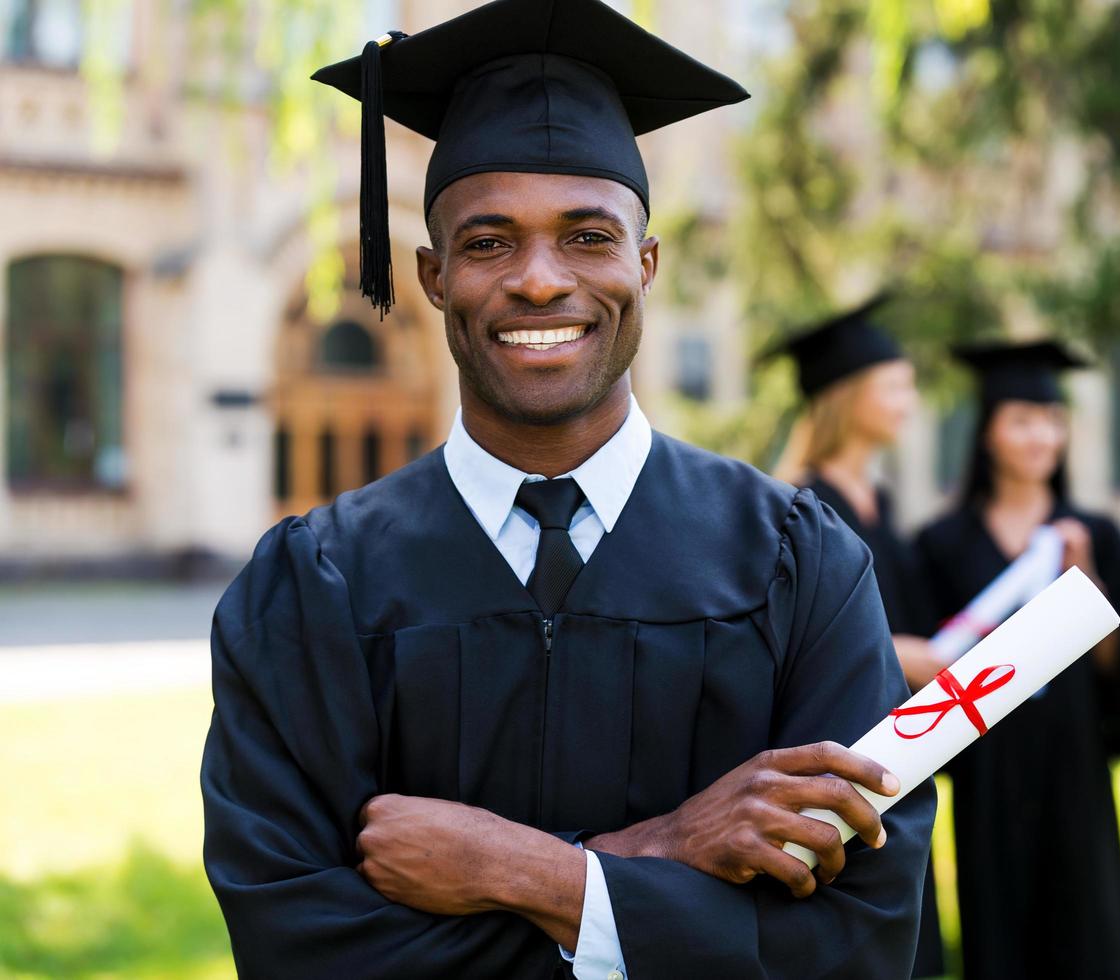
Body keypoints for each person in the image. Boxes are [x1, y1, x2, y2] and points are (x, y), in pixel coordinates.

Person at [199, 2, 935, 977]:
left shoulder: (799, 562)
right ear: (431, 274)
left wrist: (541, 875)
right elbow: (299, 946)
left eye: (586, 236)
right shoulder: (312, 586)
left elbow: (857, 936)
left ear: (646, 262)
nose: (539, 280)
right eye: (489, 241)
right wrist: (660, 863)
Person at [916, 340, 1120, 980]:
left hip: (1074, 771)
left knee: (1087, 935)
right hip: (989, 778)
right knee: (998, 939)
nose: (1040, 436)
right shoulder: (943, 544)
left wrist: (1087, 586)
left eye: (1052, 420)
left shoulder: (1096, 536)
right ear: (989, 432)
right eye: (1022, 420)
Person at [767, 295, 946, 978]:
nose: (909, 399)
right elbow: (790, 643)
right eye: (894, 384)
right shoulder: (798, 509)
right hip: (831, 756)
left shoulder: (884, 503)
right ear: (848, 393)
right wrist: (902, 655)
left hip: (898, 759)